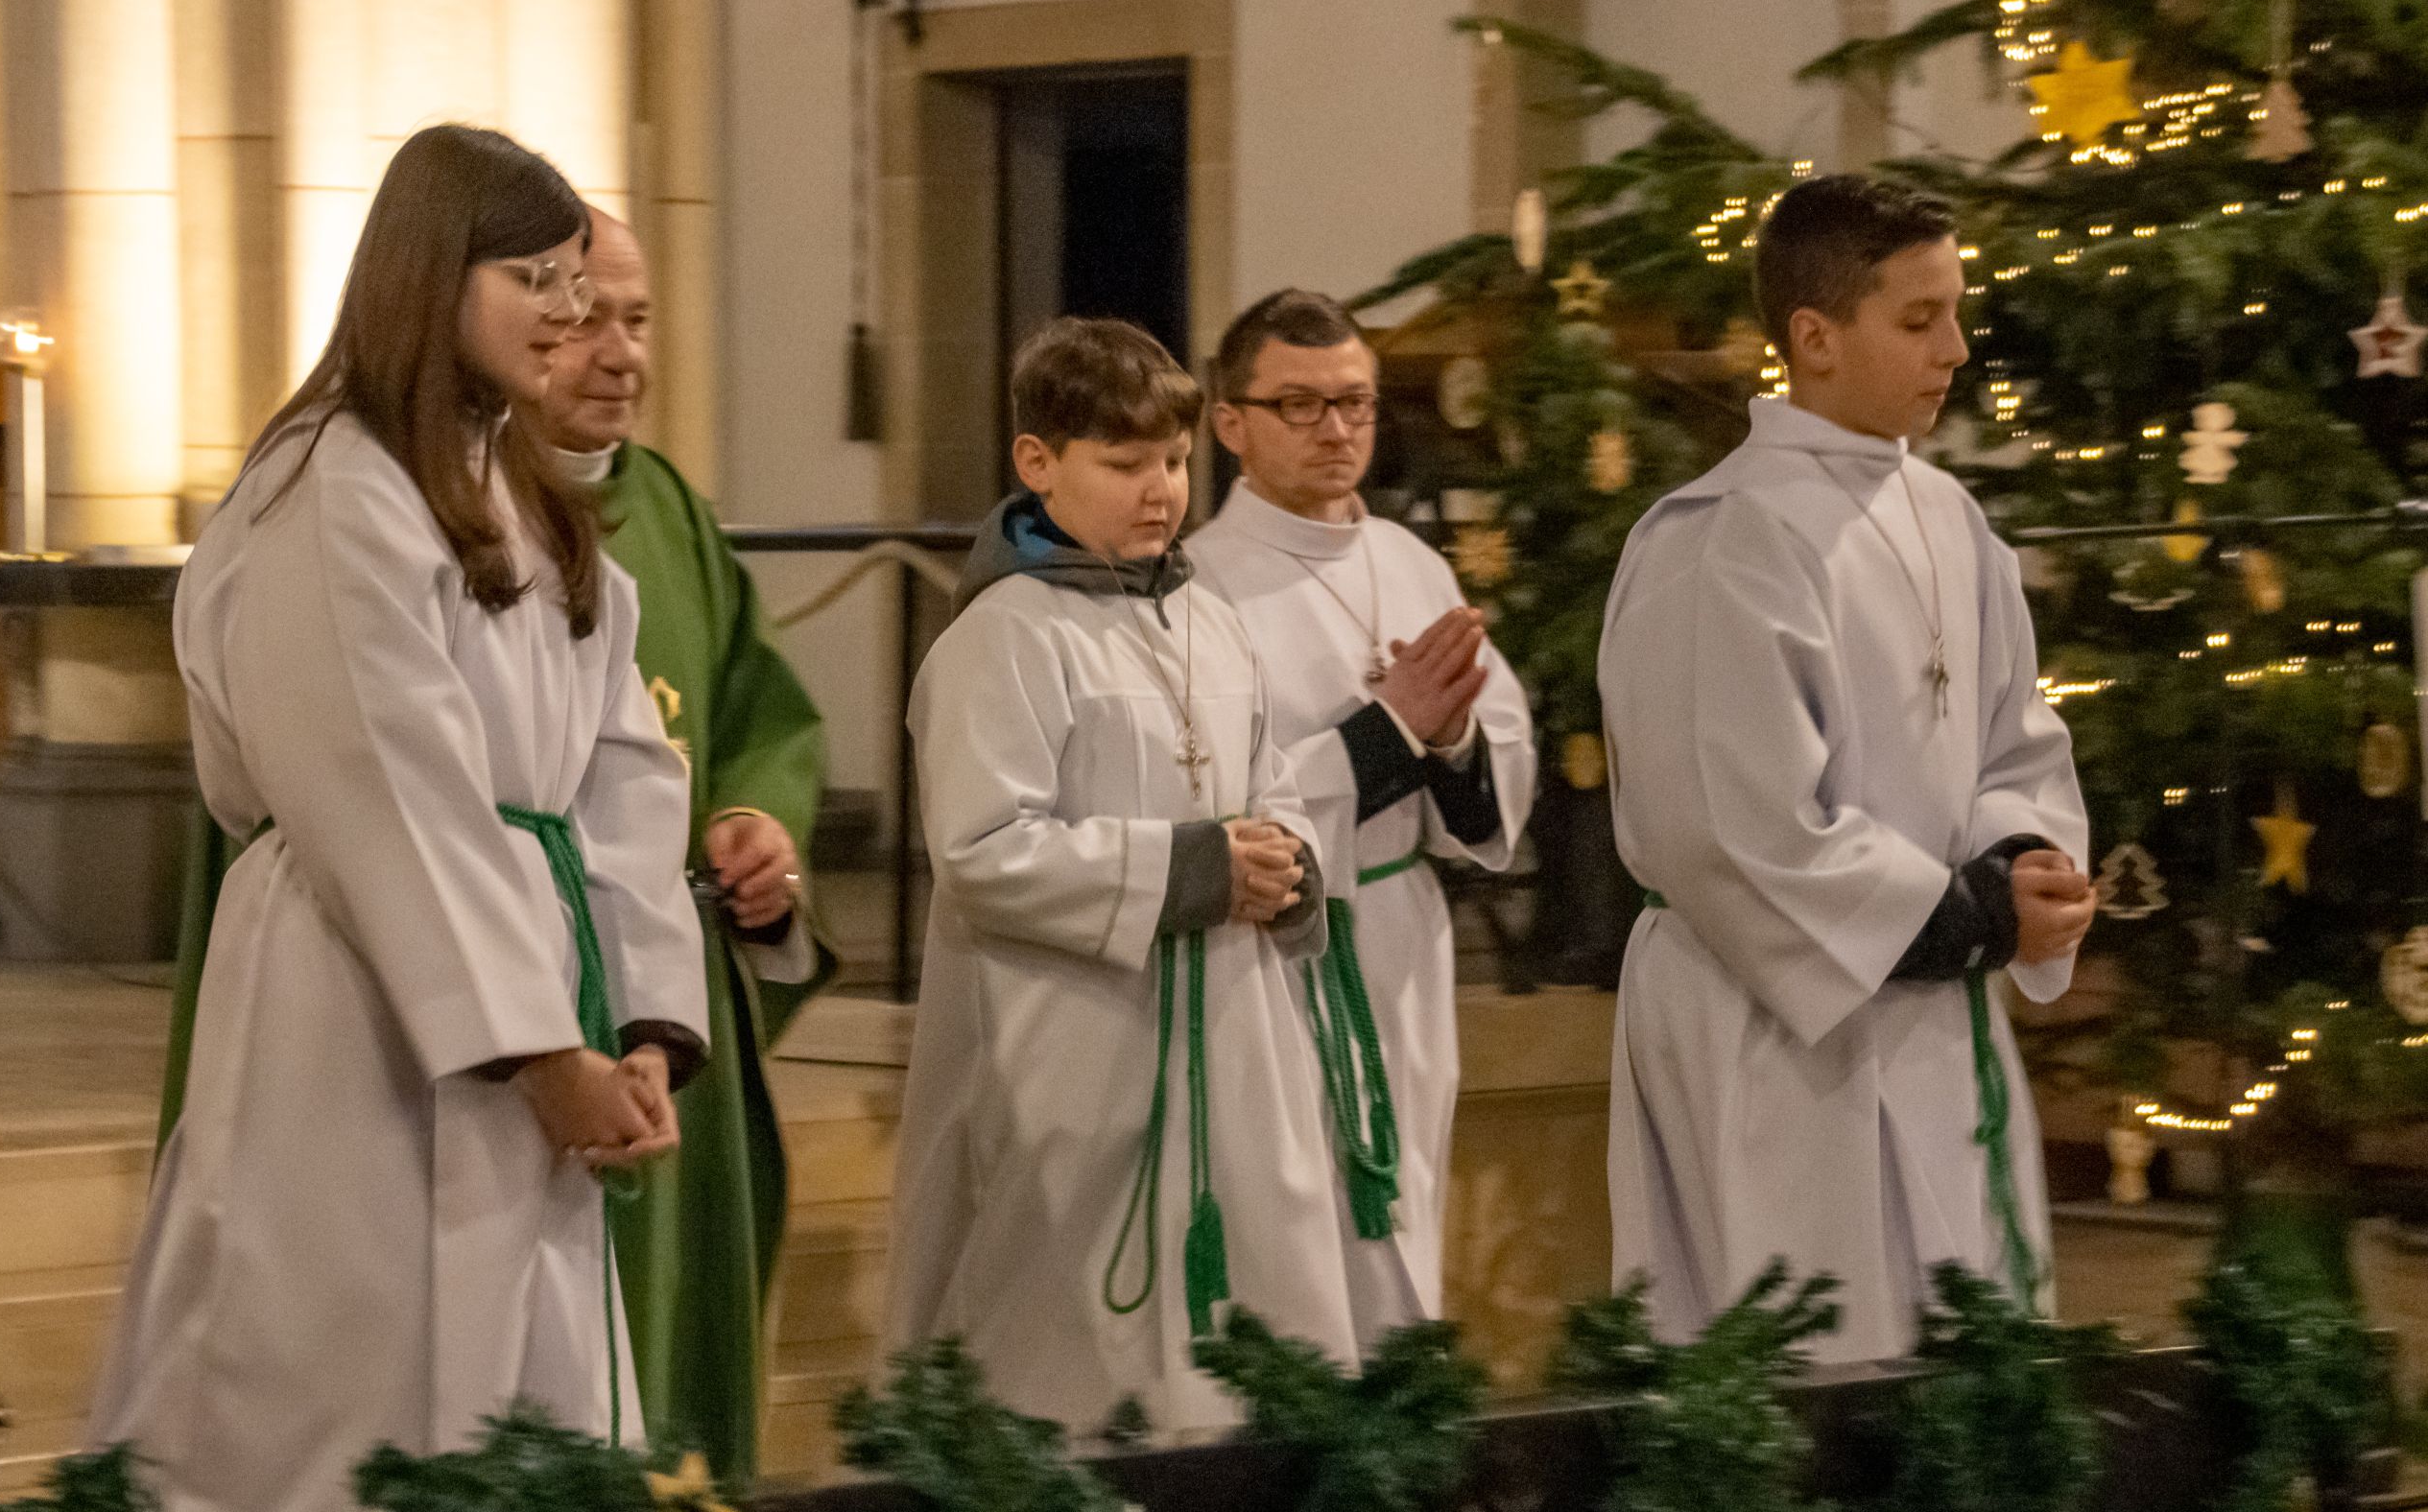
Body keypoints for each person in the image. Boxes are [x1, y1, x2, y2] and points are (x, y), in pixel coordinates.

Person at [91, 126, 710, 1512]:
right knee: (331, 1377)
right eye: (532, 279)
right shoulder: (333, 485)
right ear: (432, 277)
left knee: (523, 1384)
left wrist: (640, 1026)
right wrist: (536, 1048)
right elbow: (382, 783)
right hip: (354, 994)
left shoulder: (525, 493)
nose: (568, 312)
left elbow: (623, 774)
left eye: (575, 279)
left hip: (526, 983)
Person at [1597, 174, 2096, 1374]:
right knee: (1799, 1365)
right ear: (1813, 337)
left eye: (1954, 311)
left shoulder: (1949, 517)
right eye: (1918, 319)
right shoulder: (1721, 534)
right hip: (1768, 1023)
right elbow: (1726, 826)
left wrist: (2019, 856)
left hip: (1932, 1007)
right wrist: (1964, 915)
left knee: (1957, 1367)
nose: (1955, 348)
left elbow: (2013, 740)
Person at [886, 316, 1357, 1434]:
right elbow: (981, 851)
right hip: (1072, 1047)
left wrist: (1286, 861)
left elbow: (1269, 780)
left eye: (1175, 461)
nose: (1160, 491)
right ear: (1036, 461)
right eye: (1124, 462)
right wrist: (1191, 868)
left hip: (1229, 1037)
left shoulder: (1206, 617)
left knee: (1252, 1331)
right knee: (1063, 1342)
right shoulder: (1004, 635)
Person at [512, 209, 834, 1482]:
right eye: (586, 318)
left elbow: (756, 716)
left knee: (676, 1377)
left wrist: (759, 828)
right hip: (527, 1011)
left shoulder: (665, 511)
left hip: (669, 1009)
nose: (622, 353)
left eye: (638, 320)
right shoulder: (438, 512)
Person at [1189, 289, 1536, 1341]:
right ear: (1229, 421)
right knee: (1302, 1231)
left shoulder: (1411, 562)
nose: (1335, 429)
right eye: (1299, 404)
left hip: (1403, 939)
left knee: (1406, 1200)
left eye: (1355, 402)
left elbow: (1493, 756)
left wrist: (1452, 736)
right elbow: (1217, 800)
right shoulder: (1200, 587)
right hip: (1280, 955)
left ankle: (1397, 1399)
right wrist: (1388, 732)